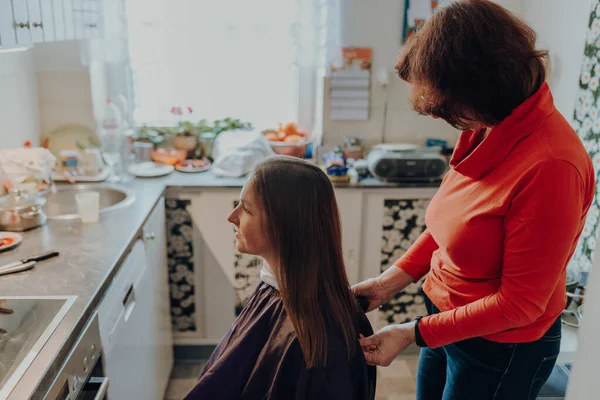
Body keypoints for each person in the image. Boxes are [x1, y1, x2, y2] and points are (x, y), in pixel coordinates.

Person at [353, 1, 595, 399]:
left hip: (502, 348)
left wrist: (411, 334)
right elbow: (452, 225)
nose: (445, 120)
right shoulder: (487, 126)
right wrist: (388, 282)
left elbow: (520, 305)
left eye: (450, 108)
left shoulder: (553, 166)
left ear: (484, 85)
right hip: (446, 320)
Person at [185, 156, 376, 400]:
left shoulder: (318, 344)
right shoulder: (273, 294)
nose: (232, 217)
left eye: (246, 209)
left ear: (284, 225)